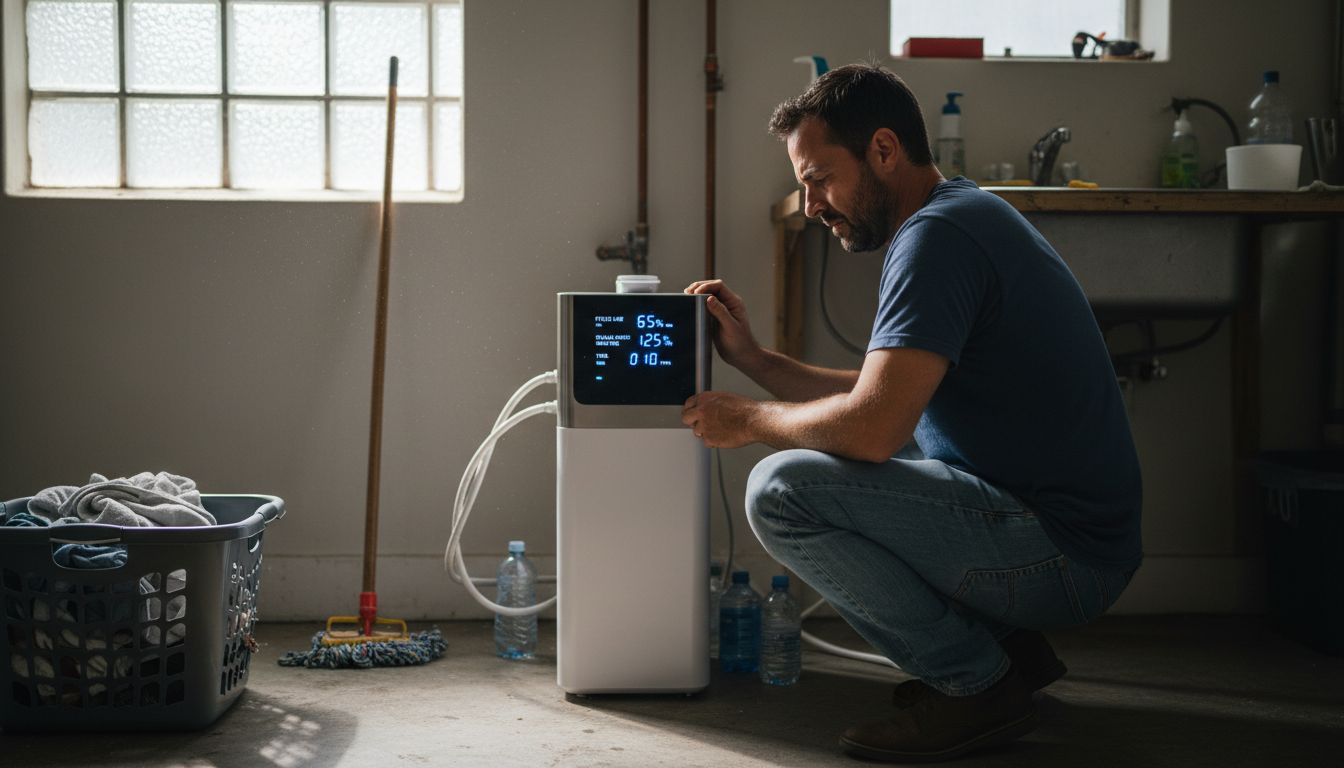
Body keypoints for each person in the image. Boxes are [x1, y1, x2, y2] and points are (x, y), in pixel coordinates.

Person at [681, 63, 1142, 763]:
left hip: (1061, 555)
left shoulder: (939, 238)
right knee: (852, 453)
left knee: (780, 492)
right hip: (1067, 534)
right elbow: (887, 397)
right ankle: (1014, 657)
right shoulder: (957, 215)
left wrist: (748, 420)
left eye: (819, 178)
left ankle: (975, 684)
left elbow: (871, 428)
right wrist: (755, 361)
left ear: (885, 151)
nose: (810, 205)